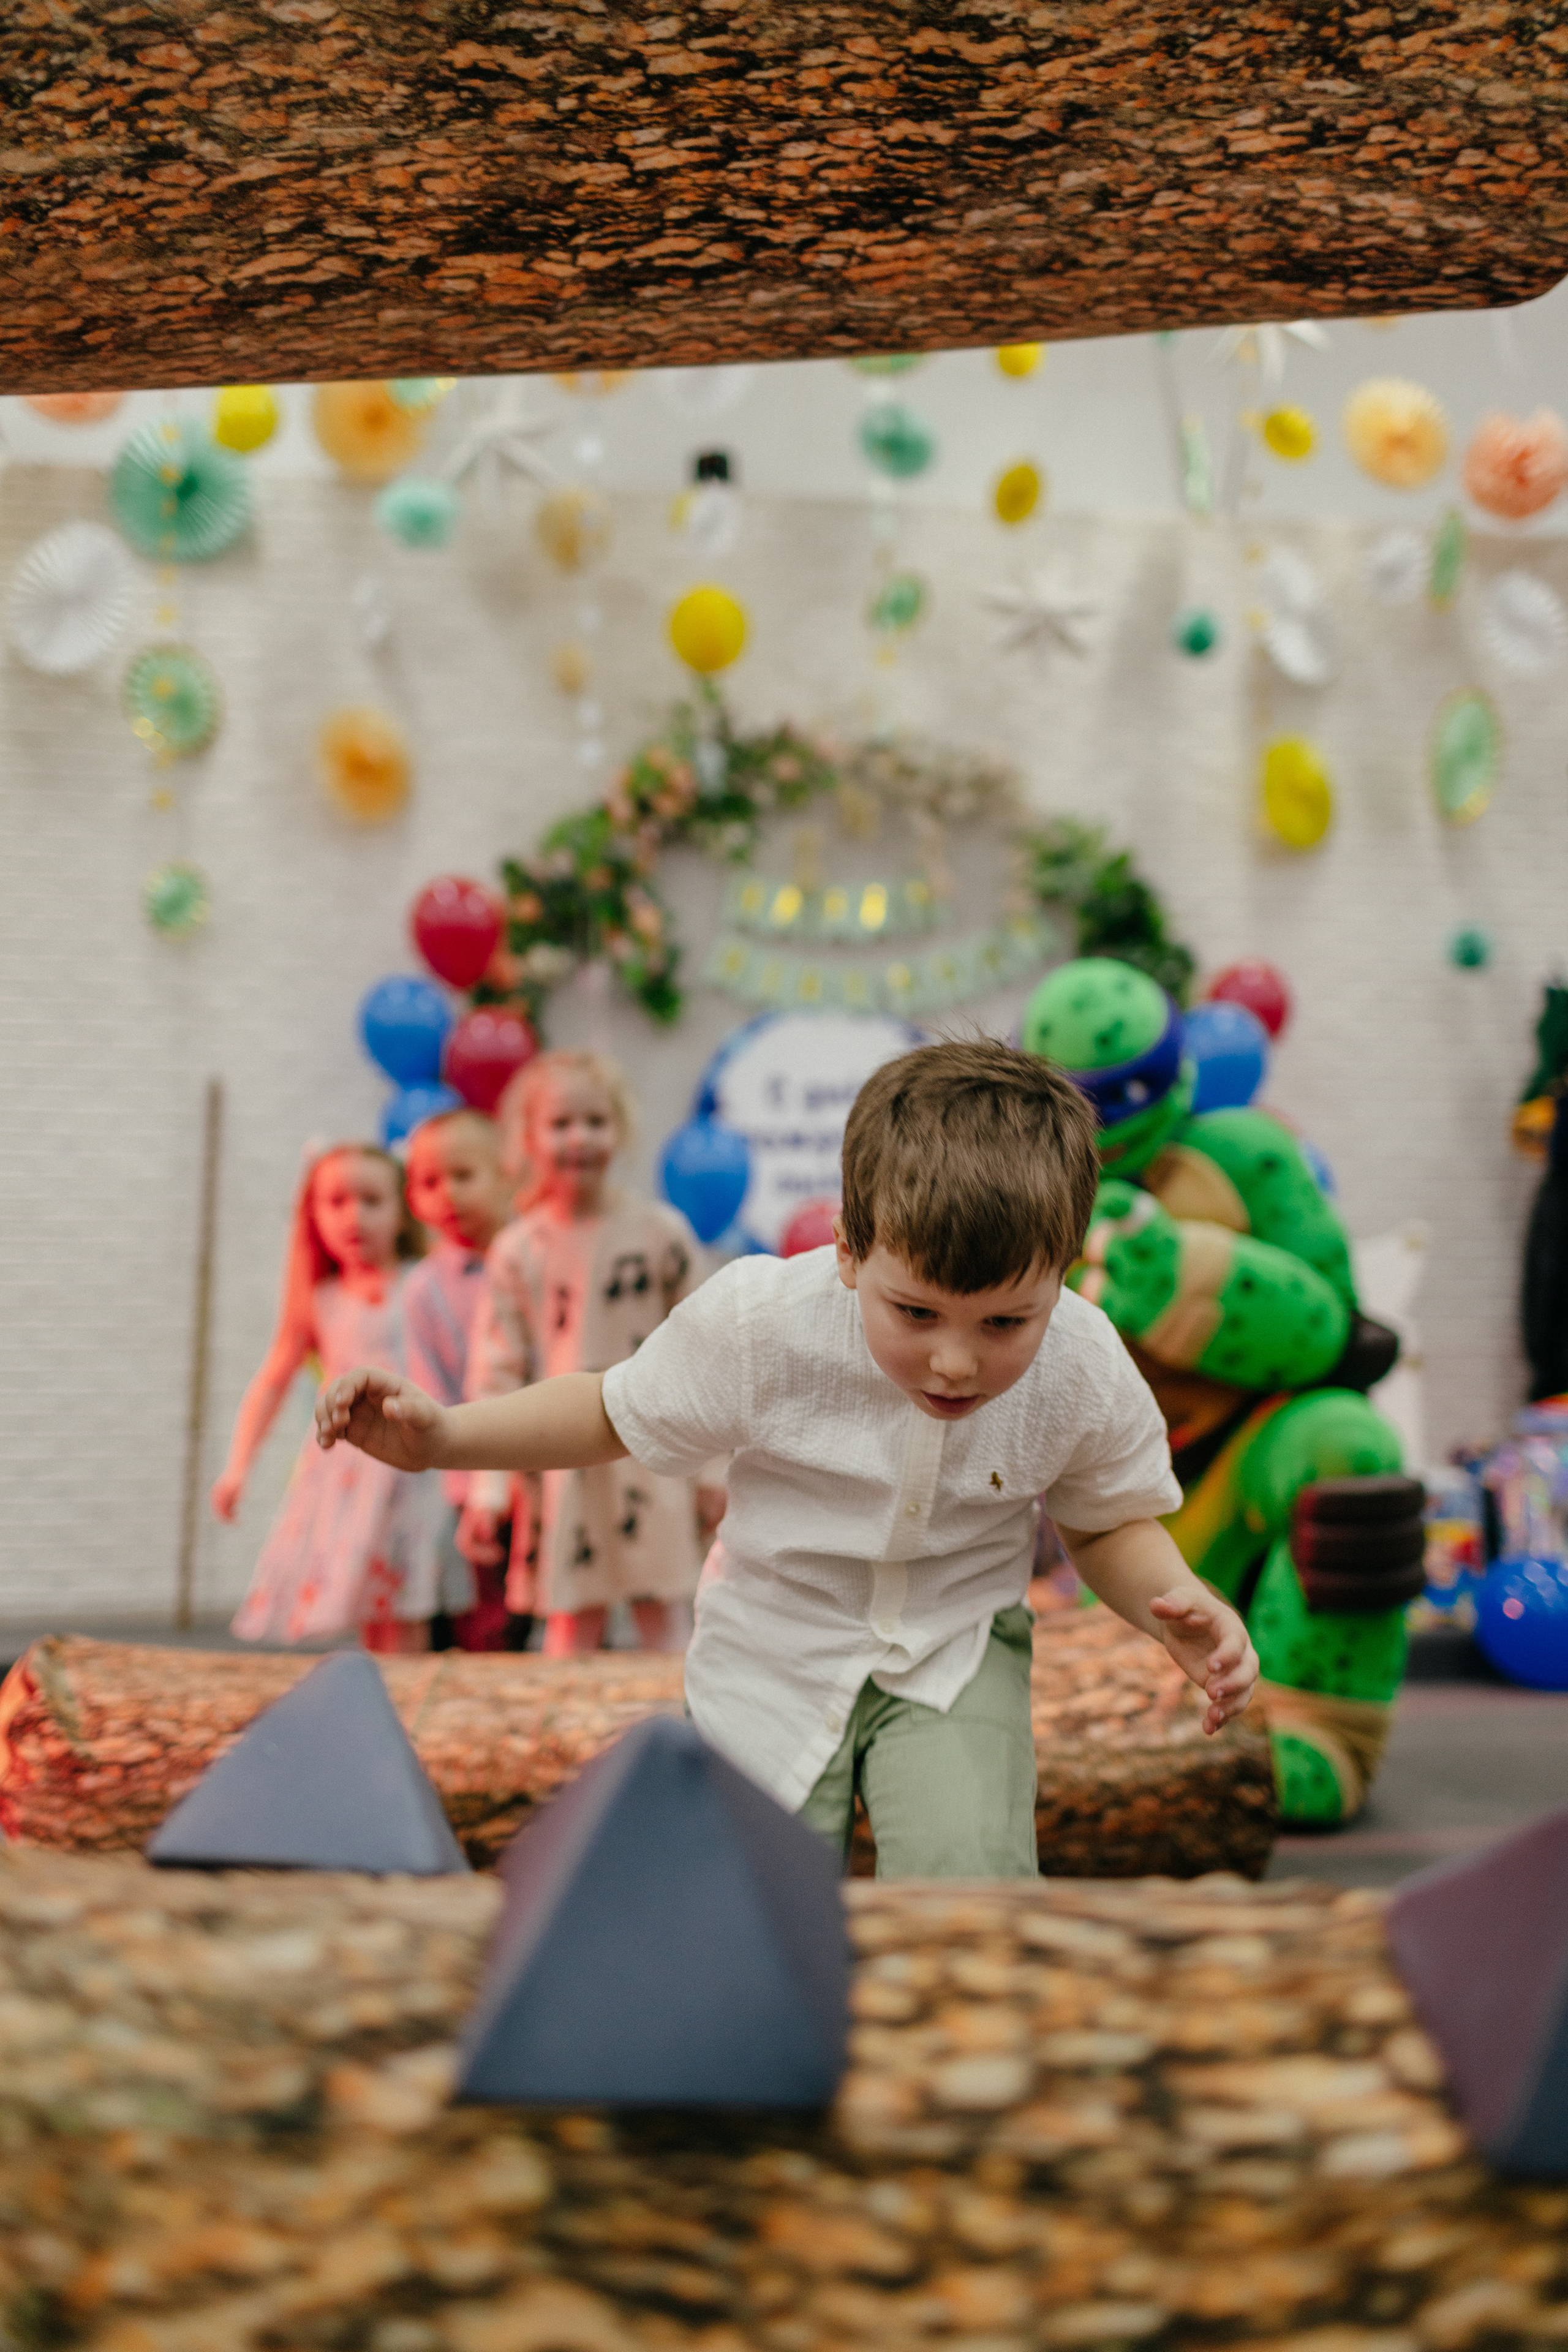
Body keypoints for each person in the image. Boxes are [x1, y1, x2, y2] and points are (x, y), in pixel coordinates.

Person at [315, 1040, 1259, 1875]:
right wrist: (447, 1438)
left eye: (1007, 1322)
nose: (956, 1360)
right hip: (770, 1647)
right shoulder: (765, 1325)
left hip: (953, 1648)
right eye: (916, 1312)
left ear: (1064, 1269)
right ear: (850, 1251)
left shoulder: (1081, 1363)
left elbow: (1107, 1522)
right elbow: (611, 1406)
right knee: (743, 1899)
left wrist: (1170, 1607)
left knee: (970, 1883)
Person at [461, 1049, 722, 1656]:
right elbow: (496, 1370)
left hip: (653, 1451)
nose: (580, 1138)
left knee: (664, 1614)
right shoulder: (517, 1250)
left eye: (595, 1121)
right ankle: (565, 1745)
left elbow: (711, 1349)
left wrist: (715, 1468)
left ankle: (681, 1737)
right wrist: (488, 1489)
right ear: (529, 1138)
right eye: (561, 1123)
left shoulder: (662, 1234)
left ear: (619, 1129)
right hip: (558, 1460)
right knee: (570, 1621)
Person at [216, 1142, 439, 1653]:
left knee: (407, 1604)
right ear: (312, 1214)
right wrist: (238, 1466)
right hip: (345, 1474)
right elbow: (273, 1380)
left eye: (371, 1200)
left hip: (411, 1468)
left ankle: (410, 1708)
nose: (353, 1217)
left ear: (401, 1210)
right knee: (367, 1603)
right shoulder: (321, 1300)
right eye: (335, 1202)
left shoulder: (423, 1284)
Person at [401, 1107, 523, 1650]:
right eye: (430, 1182)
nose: (446, 1194)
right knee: (487, 1609)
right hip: (473, 1471)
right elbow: (431, 1390)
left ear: (505, 1175)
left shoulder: (534, 1258)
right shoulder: (422, 1290)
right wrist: (468, 1483)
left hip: (548, 1460)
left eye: (463, 1176)